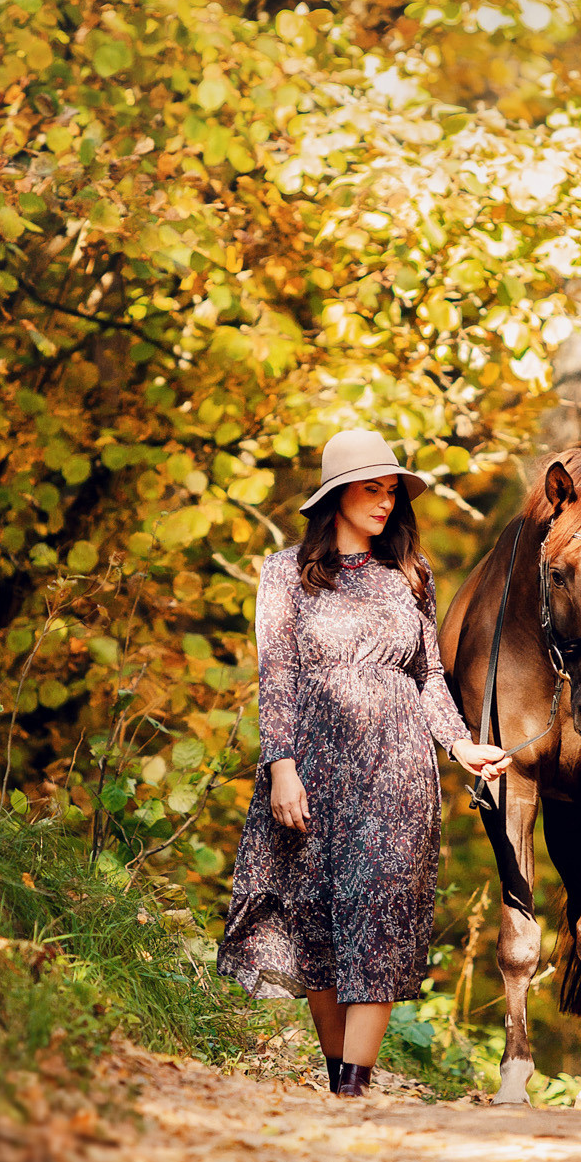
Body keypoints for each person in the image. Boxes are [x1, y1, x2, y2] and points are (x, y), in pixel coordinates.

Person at [216, 429, 512, 1098]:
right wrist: (281, 766)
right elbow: (278, 678)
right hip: (316, 764)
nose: (385, 503)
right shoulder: (283, 574)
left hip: (399, 767)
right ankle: (337, 1078)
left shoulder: (410, 576)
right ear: (338, 495)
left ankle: (353, 1091)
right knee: (315, 917)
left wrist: (462, 745)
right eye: (372, 489)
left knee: (381, 908)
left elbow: (428, 675)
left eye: (392, 492)